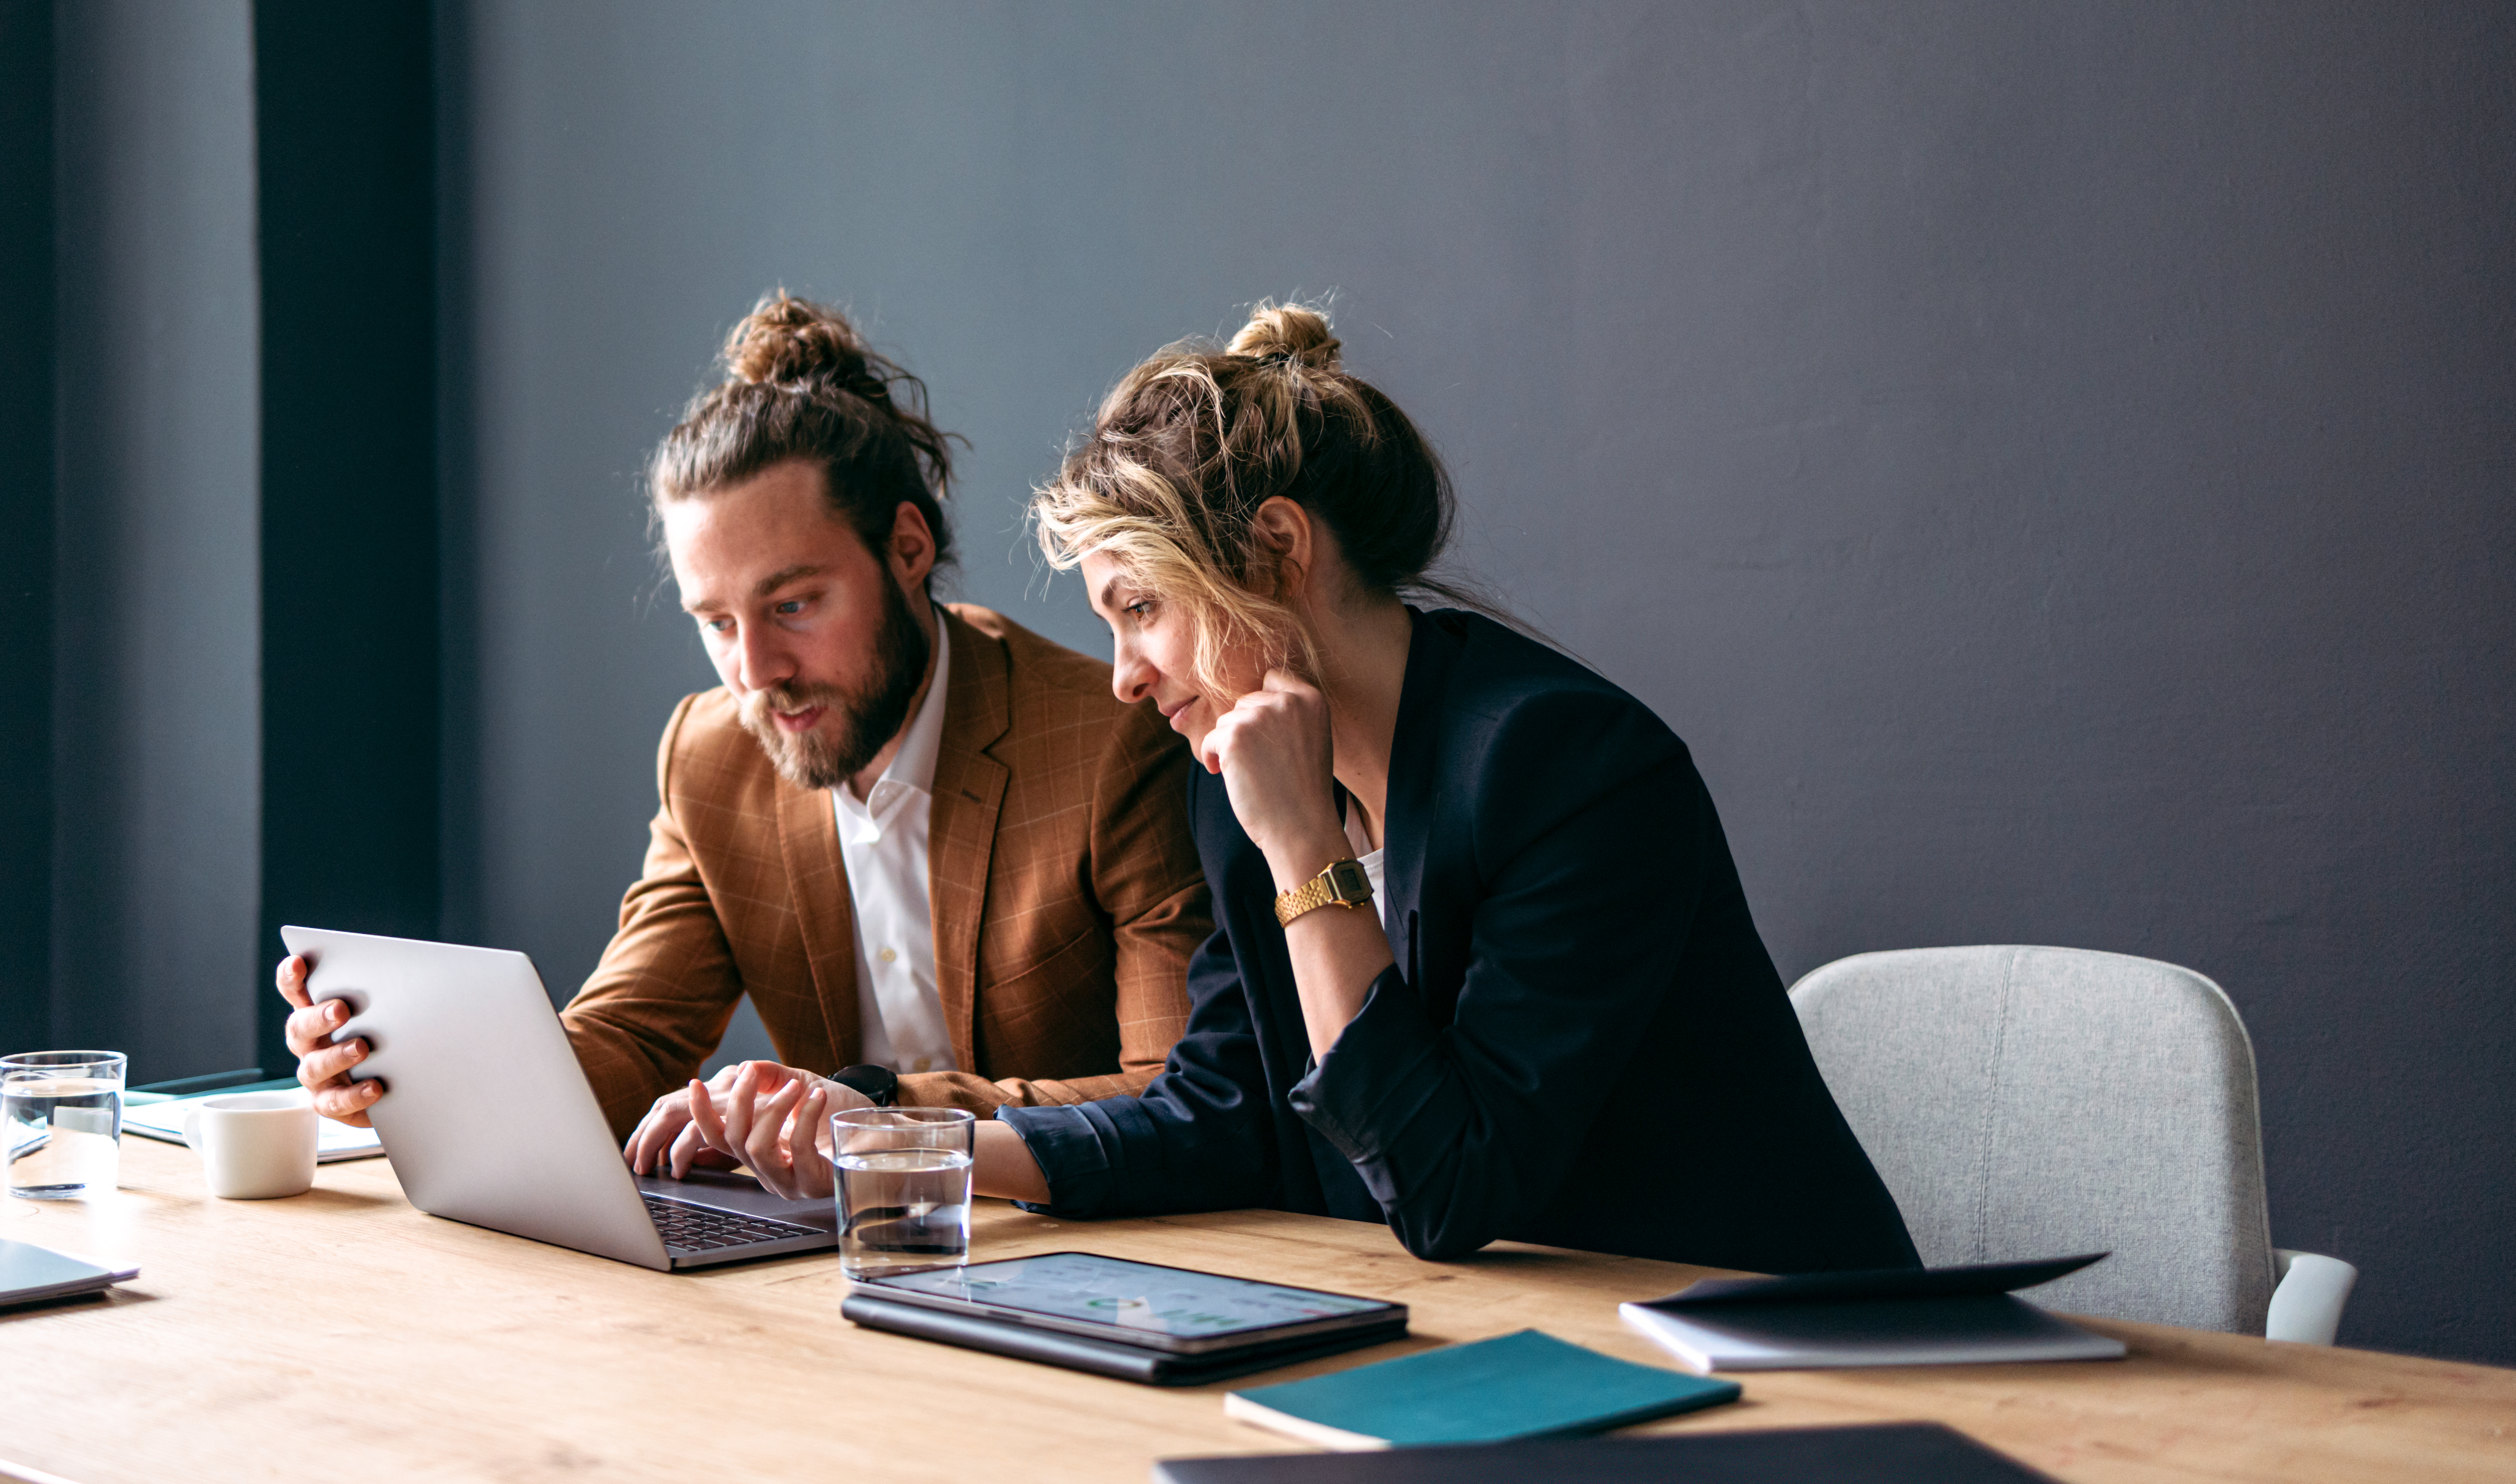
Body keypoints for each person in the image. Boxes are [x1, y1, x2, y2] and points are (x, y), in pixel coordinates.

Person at [697, 302, 1918, 1273]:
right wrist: (905, 1146)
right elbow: (1221, 1115)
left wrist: (1306, 857)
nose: (1124, 677)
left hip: (1783, 1356)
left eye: (1141, 609)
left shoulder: (1567, 769)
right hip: (1518, 1351)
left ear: (1277, 550)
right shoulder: (1240, 786)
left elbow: (1450, 1188)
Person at [275, 294, 1213, 1171]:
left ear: (908, 548)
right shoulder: (711, 753)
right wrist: (415, 1069)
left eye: (793, 603)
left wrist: (866, 1108)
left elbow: (1170, 1091)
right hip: (825, 1251)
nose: (755, 670)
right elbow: (633, 1032)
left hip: (1069, 1246)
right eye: (717, 622)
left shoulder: (1111, 740)